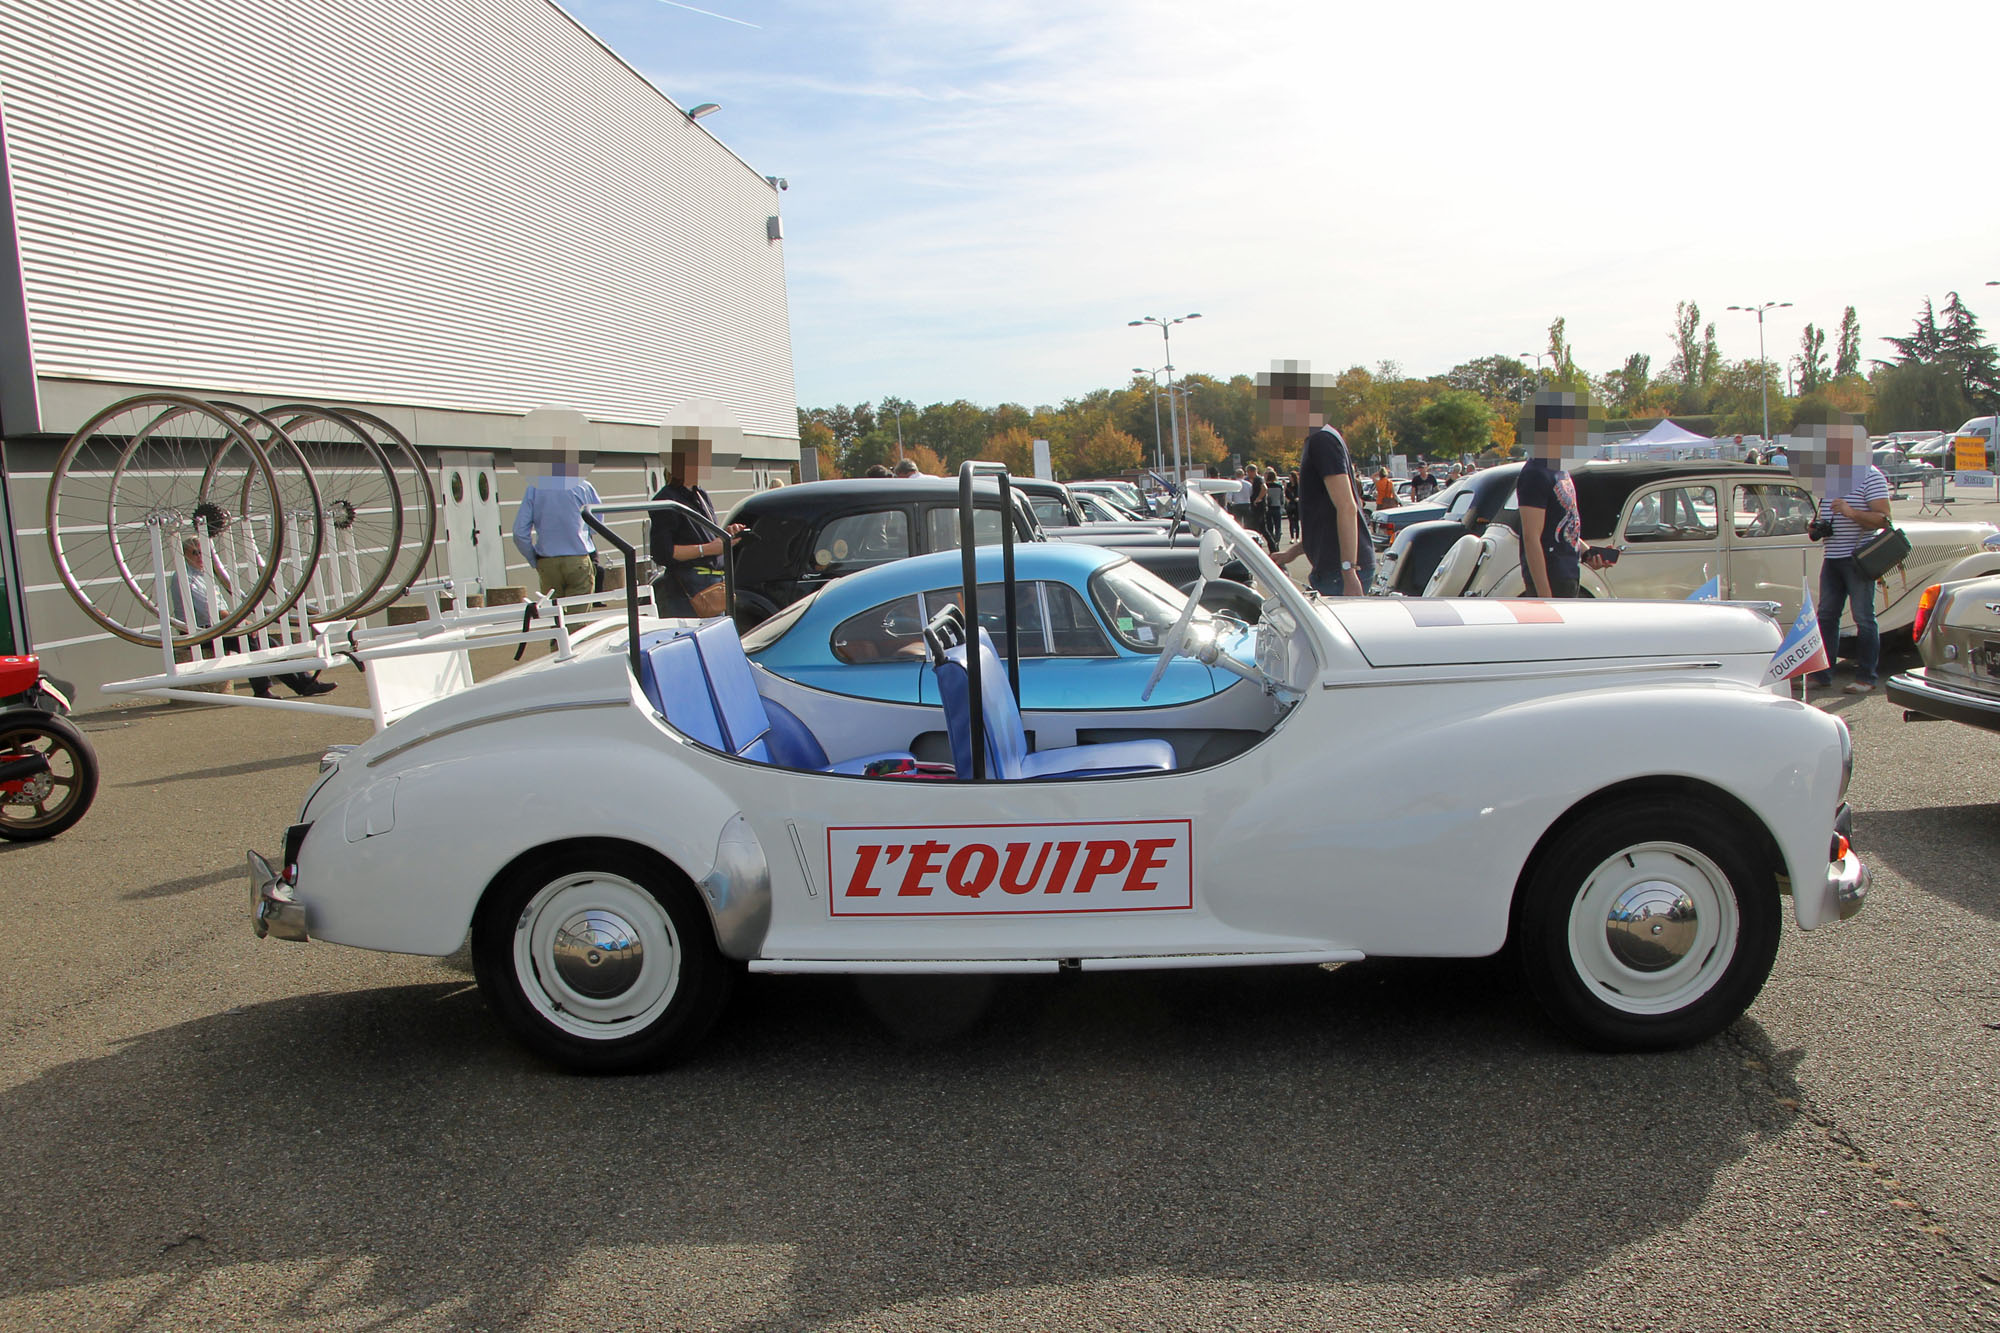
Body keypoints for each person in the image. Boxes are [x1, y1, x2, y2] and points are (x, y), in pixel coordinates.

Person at [166, 537, 332, 697]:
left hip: (214, 627)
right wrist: (238, 622)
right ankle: (263, 689)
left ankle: (305, 682)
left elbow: (219, 608)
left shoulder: (203, 574)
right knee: (248, 639)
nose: (200, 557)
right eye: (195, 552)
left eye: (203, 552)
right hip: (199, 632)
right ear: (185, 554)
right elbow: (209, 610)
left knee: (268, 642)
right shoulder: (184, 576)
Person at [1804, 422, 1891, 694]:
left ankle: (1866, 676)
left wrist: (1851, 512)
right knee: (1827, 616)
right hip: (1833, 556)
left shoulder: (1871, 476)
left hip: (1857, 557)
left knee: (1864, 617)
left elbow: (1883, 519)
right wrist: (1815, 527)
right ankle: (1822, 673)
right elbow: (1824, 517)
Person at [1517, 392, 1610, 598]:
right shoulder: (1535, 473)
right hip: (1550, 578)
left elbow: (1565, 527)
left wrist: (1587, 553)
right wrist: (1545, 595)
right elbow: (1531, 537)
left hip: (1568, 573)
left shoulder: (1560, 470)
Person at [651, 434, 744, 617]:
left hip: (712, 583)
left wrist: (725, 535)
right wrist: (709, 548)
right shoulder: (666, 500)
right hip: (688, 590)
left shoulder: (700, 494)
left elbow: (703, 536)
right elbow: (663, 552)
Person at [512, 458, 602, 600]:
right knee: (578, 617)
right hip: (578, 558)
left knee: (554, 614)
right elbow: (598, 521)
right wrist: (586, 535)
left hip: (547, 561)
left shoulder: (534, 489)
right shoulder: (584, 487)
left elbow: (519, 532)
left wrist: (533, 559)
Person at [1262, 468, 1285, 548]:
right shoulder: (1279, 486)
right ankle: (1277, 540)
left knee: (1269, 526)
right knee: (1278, 525)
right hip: (1277, 506)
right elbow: (1282, 498)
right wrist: (1282, 504)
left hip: (1268, 507)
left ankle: (1272, 541)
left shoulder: (1265, 486)